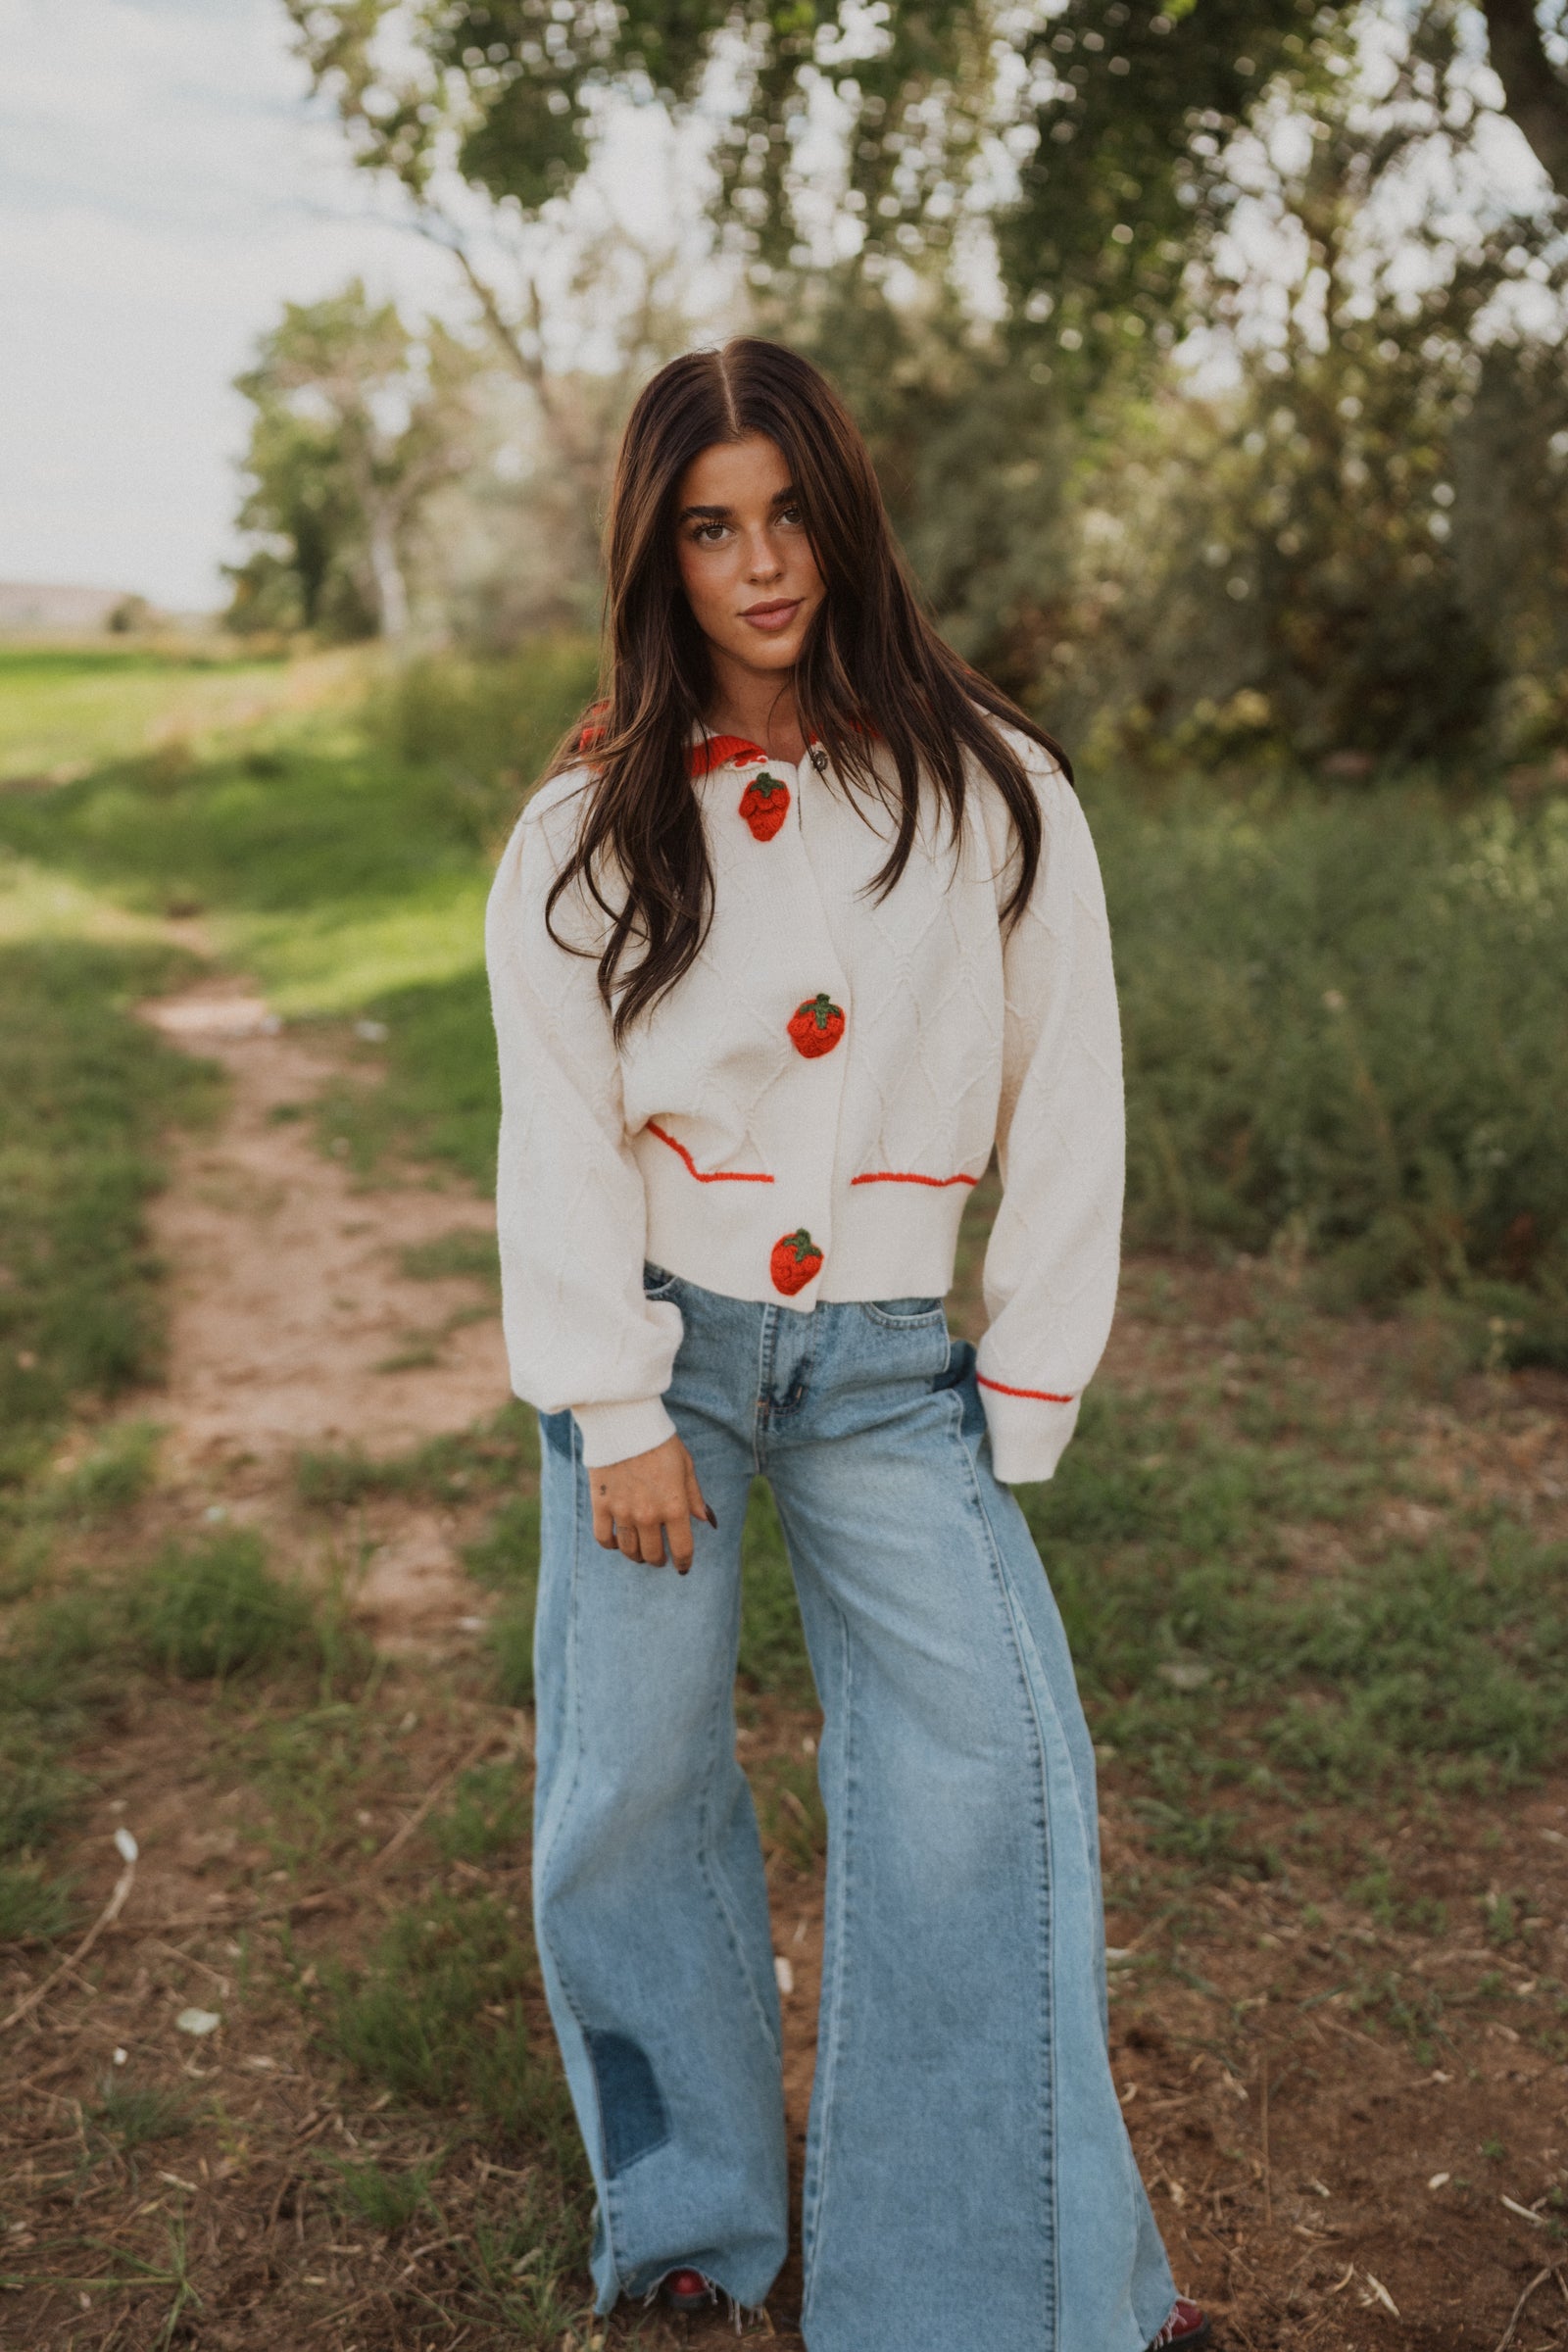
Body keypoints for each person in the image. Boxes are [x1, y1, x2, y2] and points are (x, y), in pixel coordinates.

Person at [484, 337, 1210, 2352]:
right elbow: (553, 1127)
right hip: (660, 1362)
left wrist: (1028, 1378)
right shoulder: (576, 831)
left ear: (845, 516)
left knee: (990, 1774)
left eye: (788, 512)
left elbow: (1071, 1094)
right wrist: (608, 1395)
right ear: (658, 556)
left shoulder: (990, 788)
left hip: (891, 1368)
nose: (760, 563)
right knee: (626, 1784)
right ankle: (696, 2227)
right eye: (710, 529)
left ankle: (987, 2285)